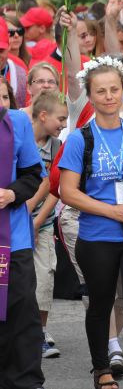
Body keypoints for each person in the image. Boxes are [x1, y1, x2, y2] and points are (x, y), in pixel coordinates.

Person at [59, 56, 123, 389]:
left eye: (114, 90)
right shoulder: (80, 139)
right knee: (101, 302)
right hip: (98, 233)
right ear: (90, 96)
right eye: (101, 91)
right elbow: (68, 192)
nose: (108, 97)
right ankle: (101, 369)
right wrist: (109, 211)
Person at [0, 96, 46, 389]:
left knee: (20, 313)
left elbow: (33, 175)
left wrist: (12, 194)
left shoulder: (16, 122)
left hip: (11, 239)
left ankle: (24, 381)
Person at [25, 90, 68, 359]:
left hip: (41, 223)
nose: (64, 125)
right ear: (43, 116)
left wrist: (38, 221)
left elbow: (55, 188)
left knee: (43, 278)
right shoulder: (20, 140)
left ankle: (39, 332)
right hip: (14, 219)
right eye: (60, 119)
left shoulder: (56, 146)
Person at [1, 18, 28, 109]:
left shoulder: (20, 74)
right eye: (12, 32)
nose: (16, 35)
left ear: (8, 47)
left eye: (1, 51)